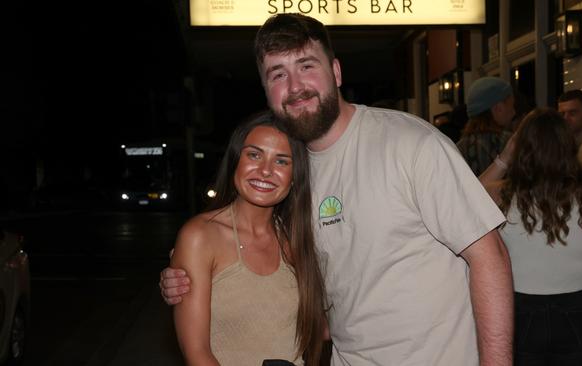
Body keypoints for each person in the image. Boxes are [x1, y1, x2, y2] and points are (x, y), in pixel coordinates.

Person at [161, 13, 514, 365]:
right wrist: (188, 277)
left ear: (337, 72)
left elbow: (489, 255)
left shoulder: (410, 144)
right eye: (278, 74)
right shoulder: (292, 176)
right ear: (267, 91)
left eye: (306, 65)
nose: (295, 86)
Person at [170, 112, 326, 366]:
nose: (265, 171)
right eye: (254, 155)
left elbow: (325, 327)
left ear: (295, 175)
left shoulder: (299, 238)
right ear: (235, 162)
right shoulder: (200, 236)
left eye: (282, 161)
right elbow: (197, 354)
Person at [480, 108, 582, 365]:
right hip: (581, 306)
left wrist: (505, 155)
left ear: (522, 148)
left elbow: (467, 194)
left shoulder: (501, 194)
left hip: (519, 309)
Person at [456, 76, 515, 175]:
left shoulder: (458, 149)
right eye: (512, 106)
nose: (514, 112)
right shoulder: (510, 144)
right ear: (498, 108)